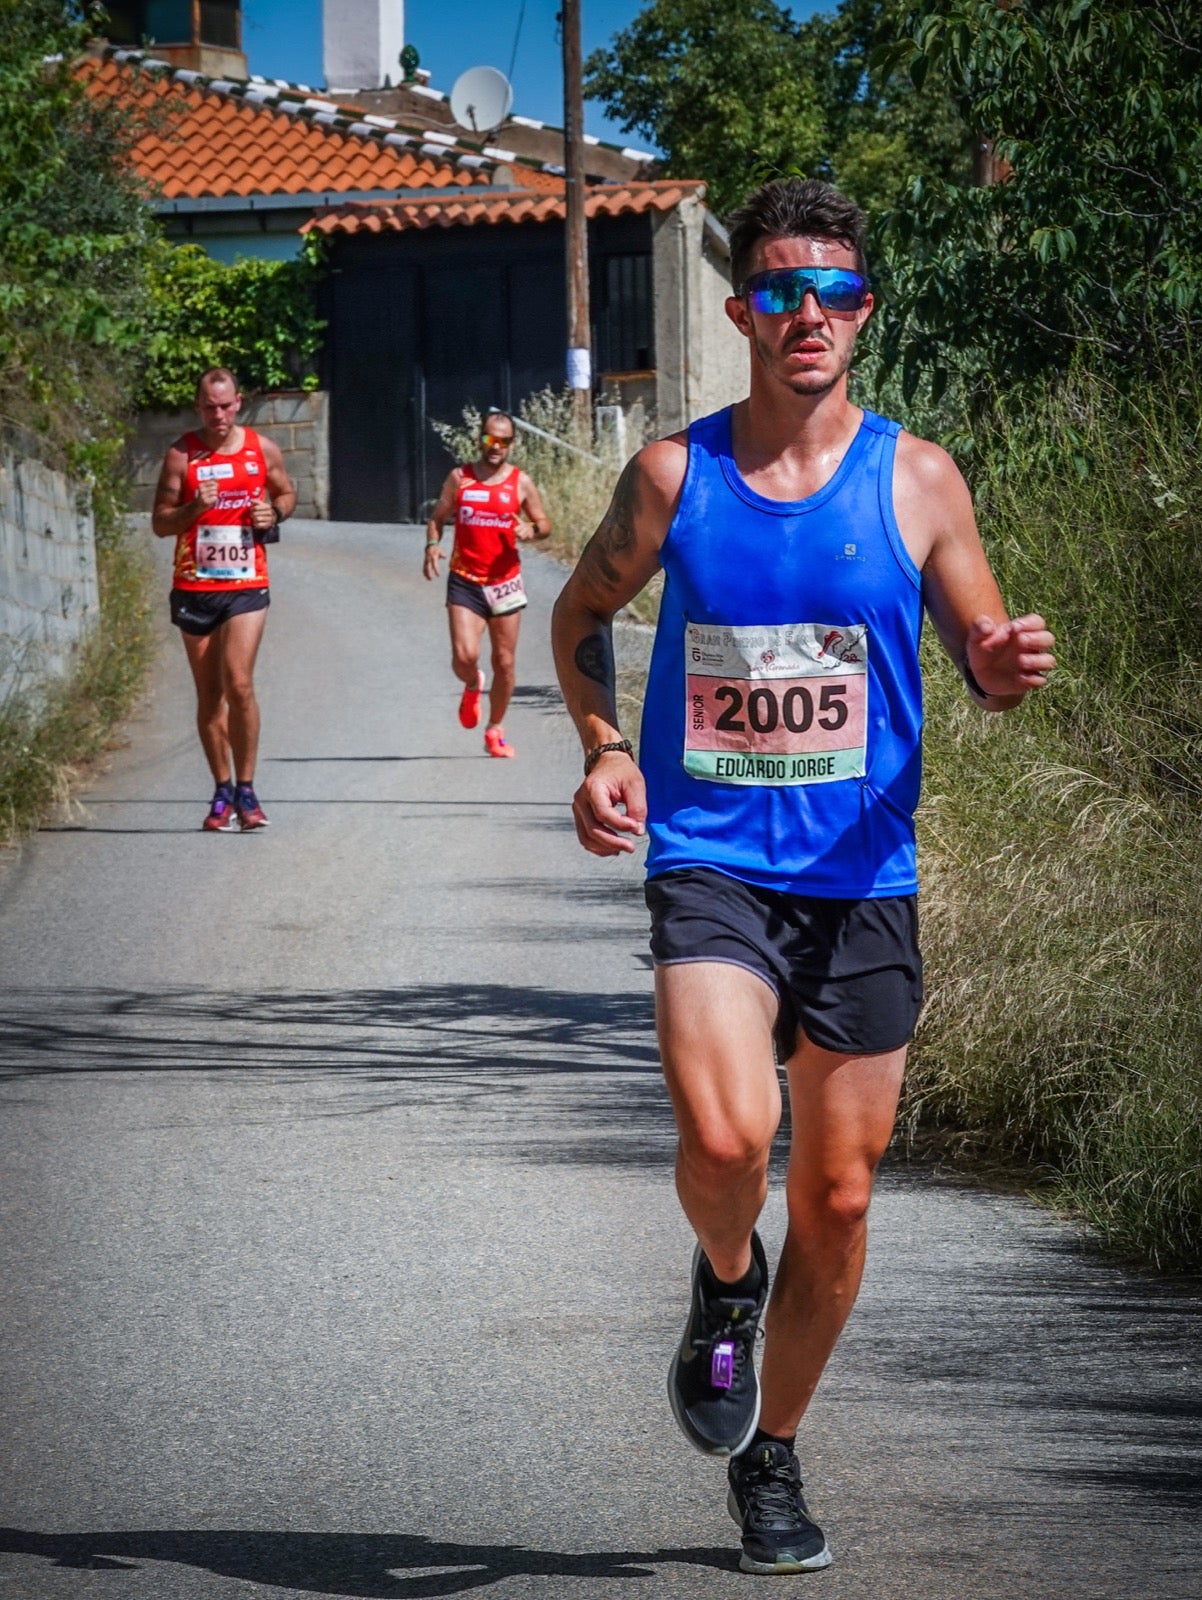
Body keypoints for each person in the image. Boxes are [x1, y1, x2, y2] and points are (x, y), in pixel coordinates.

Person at [551, 178, 1055, 1575]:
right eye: (780, 291)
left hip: (860, 876)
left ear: (863, 312)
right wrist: (603, 746)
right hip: (711, 859)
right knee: (727, 1144)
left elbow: (981, 660)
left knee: (835, 1201)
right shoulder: (675, 478)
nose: (807, 315)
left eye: (831, 291)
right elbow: (580, 609)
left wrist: (996, 665)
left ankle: (769, 1454)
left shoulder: (919, 479)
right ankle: (726, 1281)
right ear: (742, 314)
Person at [152, 367, 296, 831]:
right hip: (195, 586)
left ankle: (248, 790)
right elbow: (160, 522)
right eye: (210, 407)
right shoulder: (181, 455)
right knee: (210, 696)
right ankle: (222, 791)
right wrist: (195, 508)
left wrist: (273, 513)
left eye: (226, 405)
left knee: (239, 683)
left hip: (246, 583)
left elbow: (286, 493)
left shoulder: (261, 449)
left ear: (238, 403)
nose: (218, 414)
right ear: (199, 407)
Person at [423, 410, 551, 757]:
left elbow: (544, 524)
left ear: (512, 444)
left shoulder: (520, 482)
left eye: (503, 441)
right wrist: (432, 545)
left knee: (505, 662)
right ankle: (471, 683)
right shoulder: (459, 478)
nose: (495, 446)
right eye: (489, 439)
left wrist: (531, 529)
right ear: (480, 438)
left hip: (505, 582)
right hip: (465, 578)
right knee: (465, 655)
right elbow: (437, 519)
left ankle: (495, 728)